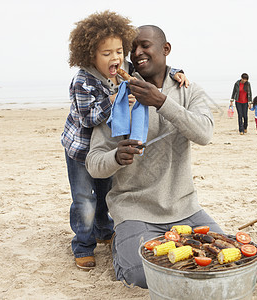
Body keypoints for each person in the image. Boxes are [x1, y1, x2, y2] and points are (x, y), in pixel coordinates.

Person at [86, 25, 223, 288]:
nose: (137, 53)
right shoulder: (118, 95)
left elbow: (204, 133)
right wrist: (116, 157)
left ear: (166, 49)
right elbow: (94, 163)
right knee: (141, 275)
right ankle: (120, 245)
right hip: (135, 211)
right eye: (133, 48)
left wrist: (161, 102)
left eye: (144, 46)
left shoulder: (188, 90)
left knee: (226, 259)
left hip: (186, 209)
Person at [61, 11, 188, 270]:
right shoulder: (83, 81)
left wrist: (175, 72)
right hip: (81, 149)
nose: (115, 58)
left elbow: (145, 73)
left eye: (119, 51)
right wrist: (111, 101)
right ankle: (83, 245)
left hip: (108, 148)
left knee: (105, 191)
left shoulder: (124, 71)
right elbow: (88, 119)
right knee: (85, 197)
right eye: (106, 53)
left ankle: (104, 229)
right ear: (90, 56)